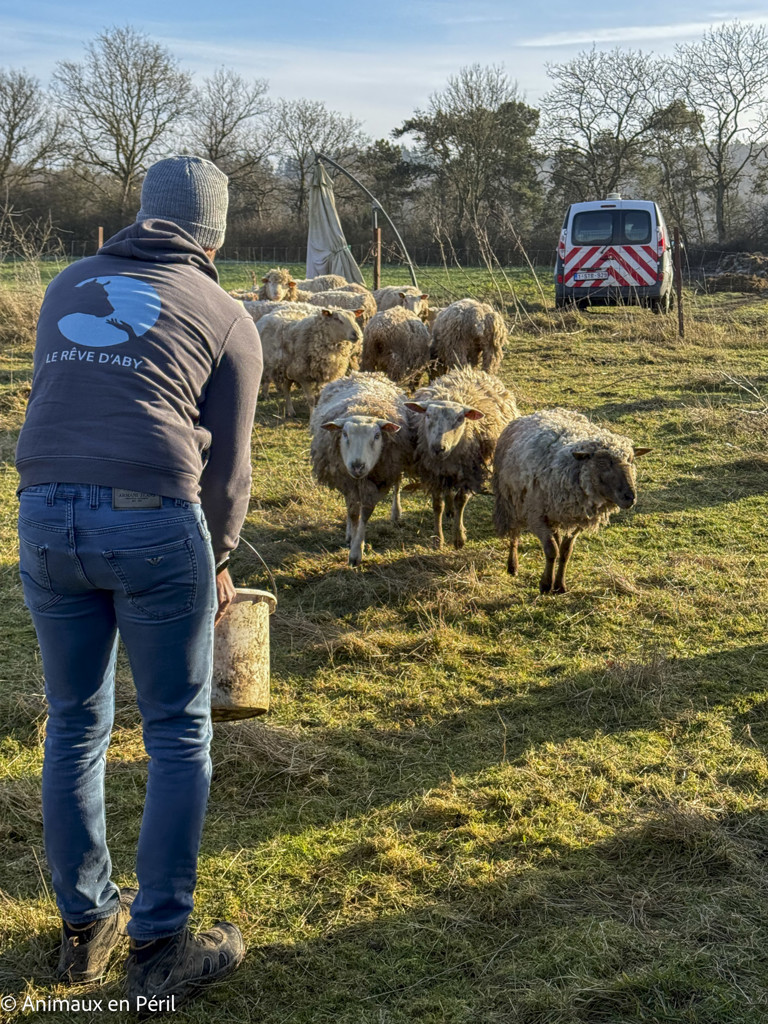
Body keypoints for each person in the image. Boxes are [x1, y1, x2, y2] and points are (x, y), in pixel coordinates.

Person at [14, 156, 263, 1009]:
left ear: (141, 215)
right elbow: (228, 471)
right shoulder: (228, 315)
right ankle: (160, 943)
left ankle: (86, 929)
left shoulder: (65, 283)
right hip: (153, 519)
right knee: (177, 732)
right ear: (216, 234)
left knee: (75, 721)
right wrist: (220, 557)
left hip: (43, 515)